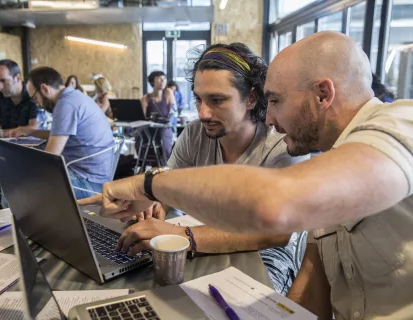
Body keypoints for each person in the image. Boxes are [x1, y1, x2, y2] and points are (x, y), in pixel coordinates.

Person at [81, 32, 413, 319]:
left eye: (275, 100)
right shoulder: (331, 169)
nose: (268, 117)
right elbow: (313, 283)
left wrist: (148, 184)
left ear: (323, 95)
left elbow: (275, 204)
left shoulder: (401, 123)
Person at [87, 43, 309, 294]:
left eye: (217, 100)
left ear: (251, 98)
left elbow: (276, 234)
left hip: (265, 254)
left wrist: (184, 236)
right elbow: (169, 185)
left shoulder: (280, 146)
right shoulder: (195, 133)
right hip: (205, 239)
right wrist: (151, 205)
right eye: (198, 99)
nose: (203, 113)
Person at [10, 67, 115, 199]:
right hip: (96, 176)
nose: (37, 103)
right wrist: (30, 131)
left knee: (17, 182)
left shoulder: (66, 104)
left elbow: (50, 156)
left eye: (35, 98)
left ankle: (21, 217)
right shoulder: (73, 96)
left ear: (44, 89)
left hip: (86, 183)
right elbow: (59, 135)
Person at [0, 59, 39, 137]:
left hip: (31, 146)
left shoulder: (33, 95)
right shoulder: (0, 97)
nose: (0, 86)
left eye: (3, 81)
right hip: (7, 145)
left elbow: (33, 129)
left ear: (18, 78)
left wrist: (0, 133)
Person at [141, 71, 176, 160]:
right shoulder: (145, 98)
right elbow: (142, 117)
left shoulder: (168, 92)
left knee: (164, 134)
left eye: (164, 79)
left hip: (164, 128)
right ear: (152, 81)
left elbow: (173, 111)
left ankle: (166, 163)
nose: (162, 81)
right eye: (159, 79)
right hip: (150, 130)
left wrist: (171, 118)